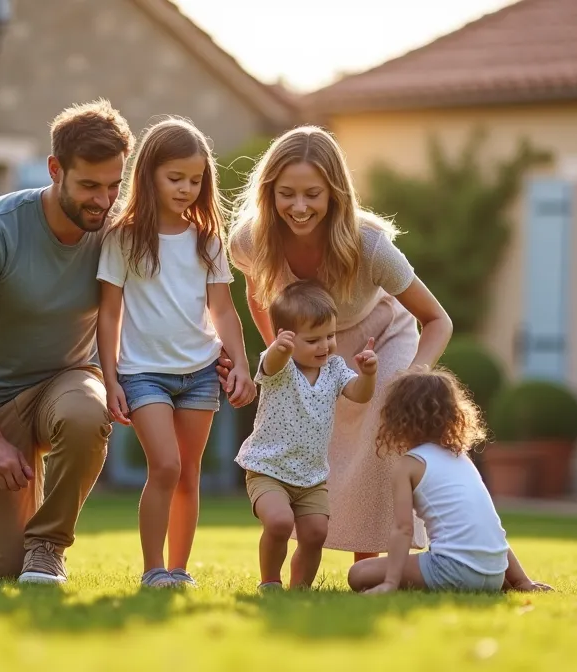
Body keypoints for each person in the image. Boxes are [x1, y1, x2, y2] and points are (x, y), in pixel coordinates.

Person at [0, 100, 241, 584]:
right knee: (2, 570)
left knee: (88, 412)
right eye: (89, 186)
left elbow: (185, 285)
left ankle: (49, 544)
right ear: (56, 170)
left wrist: (226, 351)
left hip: (65, 384)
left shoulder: (116, 233)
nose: (103, 200)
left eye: (114, 186)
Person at [227, 125, 454, 561]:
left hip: (380, 334)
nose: (298, 206)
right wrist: (281, 355)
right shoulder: (252, 239)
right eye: (286, 193)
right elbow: (260, 297)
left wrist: (413, 375)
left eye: (312, 193)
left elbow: (437, 319)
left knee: (381, 423)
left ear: (335, 193)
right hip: (312, 342)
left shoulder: (370, 246)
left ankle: (369, 563)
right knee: (322, 440)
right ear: (269, 192)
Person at [96, 118, 257, 589]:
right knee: (164, 466)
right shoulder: (123, 238)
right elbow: (109, 315)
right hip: (143, 374)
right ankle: (152, 571)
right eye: (176, 178)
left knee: (189, 473)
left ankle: (179, 572)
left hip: (201, 373)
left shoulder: (207, 239)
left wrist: (241, 365)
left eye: (196, 179)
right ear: (149, 175)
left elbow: (223, 310)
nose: (187, 188)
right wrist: (110, 380)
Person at [347, 368, 552, 594]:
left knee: (359, 573)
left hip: (452, 572)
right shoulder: (461, 458)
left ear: (397, 418)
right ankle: (506, 581)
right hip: (494, 575)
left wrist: (390, 583)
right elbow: (491, 527)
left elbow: (403, 528)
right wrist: (523, 582)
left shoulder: (410, 465)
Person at [234, 279, 378, 591]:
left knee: (315, 534)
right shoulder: (278, 366)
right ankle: (270, 582)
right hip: (268, 470)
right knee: (280, 522)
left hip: (312, 478)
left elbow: (360, 395)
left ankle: (299, 590)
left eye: (330, 336)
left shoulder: (336, 369)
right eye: (314, 340)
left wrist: (368, 374)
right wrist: (278, 349)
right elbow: (270, 363)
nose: (325, 346)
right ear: (288, 340)